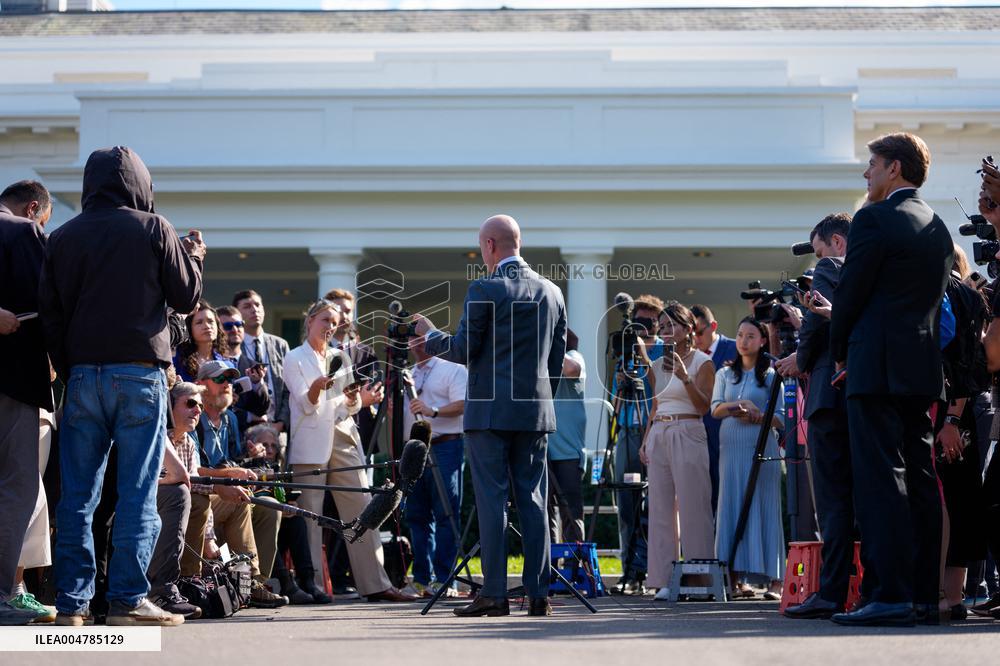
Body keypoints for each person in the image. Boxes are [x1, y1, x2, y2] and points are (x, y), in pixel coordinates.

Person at [38, 146, 204, 627]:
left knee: (77, 497)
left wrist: (70, 367)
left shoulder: (63, 236)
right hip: (139, 373)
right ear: (141, 182)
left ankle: (72, 604)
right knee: (136, 493)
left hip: (83, 374)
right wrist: (193, 258)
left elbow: (50, 314)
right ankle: (128, 600)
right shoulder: (154, 227)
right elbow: (186, 297)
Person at [829, 132, 954, 627]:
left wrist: (839, 353)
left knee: (880, 479)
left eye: (873, 164)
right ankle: (923, 596)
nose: (867, 173)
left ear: (894, 168)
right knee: (920, 479)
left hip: (875, 368)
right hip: (921, 370)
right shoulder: (938, 227)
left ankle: (888, 595)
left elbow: (850, 294)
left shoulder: (873, 218)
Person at [414, 213, 567, 618]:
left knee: (492, 501)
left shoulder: (484, 288)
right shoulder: (553, 292)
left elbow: (463, 349)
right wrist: (538, 401)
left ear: (490, 246)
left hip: (488, 414)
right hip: (534, 412)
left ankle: (495, 593)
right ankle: (539, 594)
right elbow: (554, 361)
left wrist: (429, 335)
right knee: (534, 501)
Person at [283, 299, 413, 602]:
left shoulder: (340, 356)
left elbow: (348, 405)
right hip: (310, 443)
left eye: (334, 322)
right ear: (310, 321)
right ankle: (313, 585)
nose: (330, 326)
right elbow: (306, 404)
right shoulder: (293, 357)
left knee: (363, 510)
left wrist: (357, 399)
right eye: (325, 320)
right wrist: (318, 386)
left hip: (343, 435)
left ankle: (377, 584)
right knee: (310, 515)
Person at [782, 212, 855, 619]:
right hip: (860, 392)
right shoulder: (873, 271)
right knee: (861, 497)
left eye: (819, 249)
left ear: (837, 243)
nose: (817, 260)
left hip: (829, 392)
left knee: (833, 499)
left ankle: (831, 592)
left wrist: (801, 357)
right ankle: (866, 588)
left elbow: (816, 324)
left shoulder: (831, 267)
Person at [0, 180, 52, 626]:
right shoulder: (22, 232)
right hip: (12, 383)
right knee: (17, 490)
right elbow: (50, 305)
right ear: (33, 209)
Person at [639, 302, 716, 600]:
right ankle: (663, 579)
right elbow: (655, 406)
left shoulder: (703, 362)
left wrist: (685, 376)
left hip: (688, 429)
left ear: (688, 328)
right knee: (660, 509)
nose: (666, 331)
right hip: (660, 431)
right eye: (662, 326)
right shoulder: (657, 365)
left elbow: (703, 407)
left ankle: (699, 580)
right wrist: (646, 439)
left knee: (694, 507)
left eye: (672, 325)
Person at [712, 317, 785, 599]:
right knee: (731, 506)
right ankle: (734, 578)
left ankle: (776, 581)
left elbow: (781, 418)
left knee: (765, 508)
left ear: (763, 340)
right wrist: (738, 405)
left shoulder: (772, 376)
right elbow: (715, 409)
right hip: (731, 449)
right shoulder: (724, 374)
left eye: (751, 336)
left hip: (761, 446)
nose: (743, 341)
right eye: (740, 335)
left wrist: (758, 414)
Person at [401, 334, 468, 598]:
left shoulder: (452, 367)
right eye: (411, 339)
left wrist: (434, 410)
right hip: (414, 448)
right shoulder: (409, 372)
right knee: (417, 514)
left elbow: (463, 404)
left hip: (445, 445)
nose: (415, 343)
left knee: (446, 512)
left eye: (420, 338)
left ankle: (445, 580)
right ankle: (422, 579)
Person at [610, 293, 664, 594]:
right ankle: (629, 571)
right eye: (639, 321)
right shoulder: (625, 352)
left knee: (656, 505)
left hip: (655, 429)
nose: (643, 328)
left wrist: (645, 358)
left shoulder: (665, 351)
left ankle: (654, 570)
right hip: (628, 431)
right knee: (627, 504)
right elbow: (616, 403)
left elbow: (662, 390)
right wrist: (621, 379)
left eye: (649, 322)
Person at [147, 383, 202, 620]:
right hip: (142, 499)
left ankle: (193, 581)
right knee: (179, 494)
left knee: (196, 497)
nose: (197, 410)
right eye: (190, 403)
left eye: (200, 406)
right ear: (169, 406)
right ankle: (162, 590)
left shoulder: (189, 442)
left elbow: (195, 481)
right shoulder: (155, 432)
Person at [690, 304, 737, 514]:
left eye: (700, 332)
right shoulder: (688, 356)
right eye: (692, 333)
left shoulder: (736, 348)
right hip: (698, 435)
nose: (696, 338)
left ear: (714, 326)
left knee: (729, 496)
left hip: (729, 434)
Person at [547, 329, 587, 546]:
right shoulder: (542, 364)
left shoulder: (573, 356)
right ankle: (550, 561)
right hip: (543, 448)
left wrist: (548, 343)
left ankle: (575, 562)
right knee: (544, 511)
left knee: (571, 512)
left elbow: (572, 369)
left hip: (568, 451)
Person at [234, 289, 291, 438]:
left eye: (258, 305)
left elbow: (289, 388)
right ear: (237, 314)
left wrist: (281, 423)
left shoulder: (280, 345)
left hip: (276, 430)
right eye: (247, 306)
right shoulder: (233, 346)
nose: (254, 310)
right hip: (244, 430)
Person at [173, 300, 233, 382]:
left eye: (210, 321)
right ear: (189, 328)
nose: (207, 326)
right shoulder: (176, 362)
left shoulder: (228, 364)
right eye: (199, 322)